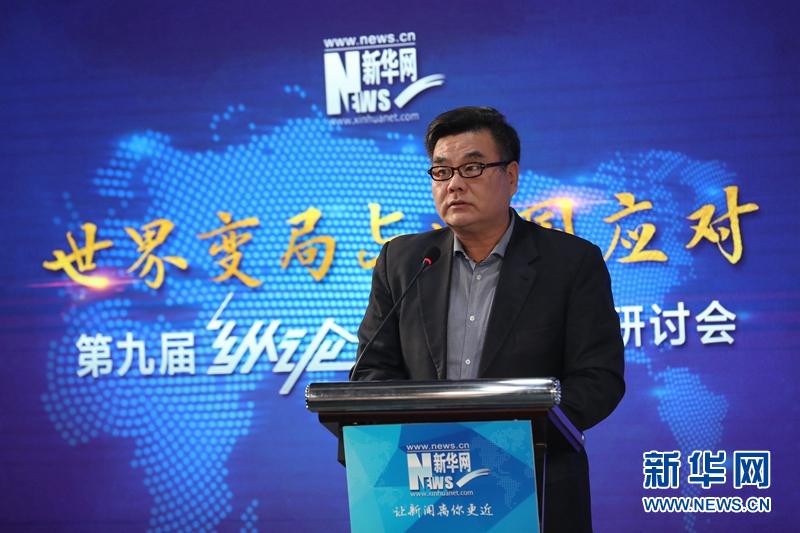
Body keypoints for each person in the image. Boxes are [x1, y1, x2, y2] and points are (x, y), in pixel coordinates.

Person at [351, 106, 624, 532]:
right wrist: (431, 446)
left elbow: (598, 378)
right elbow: (372, 371)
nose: (455, 184)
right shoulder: (402, 261)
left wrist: (509, 443)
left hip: (533, 485)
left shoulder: (571, 263)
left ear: (511, 176)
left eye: (472, 168)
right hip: (423, 488)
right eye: (442, 171)